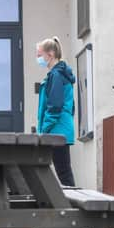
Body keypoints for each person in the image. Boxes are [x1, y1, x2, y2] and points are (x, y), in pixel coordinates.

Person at [36, 37, 76, 187]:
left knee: (63, 171)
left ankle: (71, 206)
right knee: (63, 170)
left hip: (56, 130)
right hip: (61, 128)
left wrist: (44, 129)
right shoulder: (59, 74)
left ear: (50, 54)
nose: (38, 58)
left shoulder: (56, 75)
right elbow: (70, 106)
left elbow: (54, 105)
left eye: (40, 55)